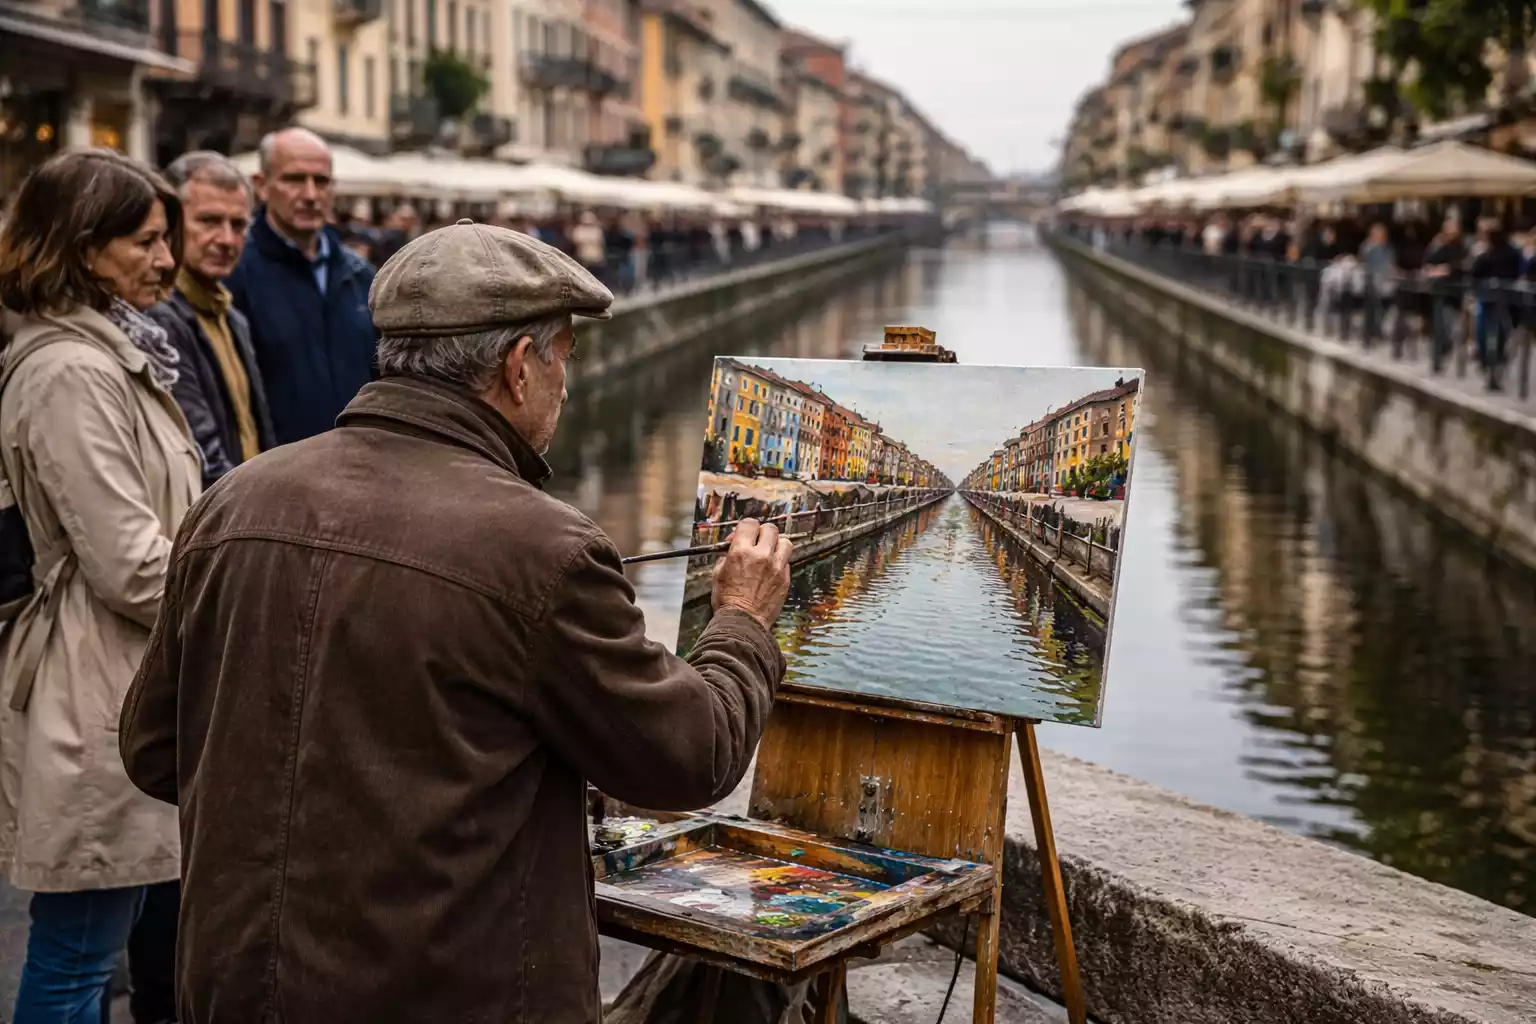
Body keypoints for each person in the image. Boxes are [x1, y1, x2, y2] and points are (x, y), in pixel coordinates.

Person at [120, 220, 791, 1023]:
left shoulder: (234, 502)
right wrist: (744, 620)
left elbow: (154, 750)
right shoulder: (543, 546)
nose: (565, 388)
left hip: (235, 988)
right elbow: (692, 757)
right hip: (449, 995)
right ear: (517, 368)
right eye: (563, 361)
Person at [0, 149, 197, 1024]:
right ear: (82, 246)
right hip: (99, 683)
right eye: (145, 242)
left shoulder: (98, 355)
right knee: (78, 952)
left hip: (124, 675)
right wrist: (237, 600)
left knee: (101, 939)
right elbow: (129, 562)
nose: (165, 260)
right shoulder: (72, 373)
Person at [226, 127, 376, 445]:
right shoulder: (235, 275)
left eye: (320, 181)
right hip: (277, 475)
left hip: (359, 468)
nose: (310, 194)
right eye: (294, 179)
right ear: (261, 186)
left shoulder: (360, 275)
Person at [149, 151, 275, 487]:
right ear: (170, 223)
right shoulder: (158, 317)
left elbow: (254, 434)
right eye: (209, 221)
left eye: (238, 225)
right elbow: (200, 449)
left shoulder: (231, 316)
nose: (227, 240)